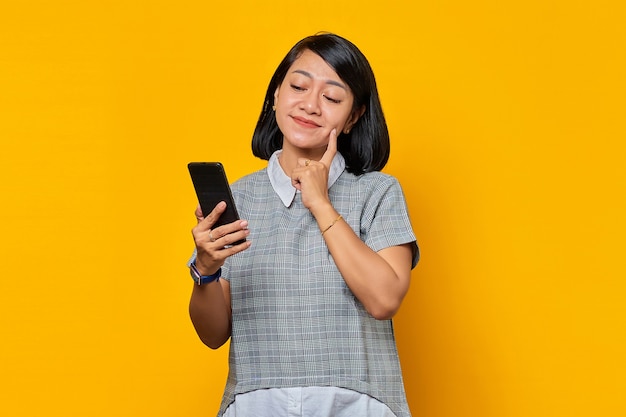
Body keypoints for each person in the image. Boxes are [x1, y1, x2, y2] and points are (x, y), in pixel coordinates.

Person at [188, 33, 419, 417]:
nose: (310, 105)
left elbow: (384, 299)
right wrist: (206, 271)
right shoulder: (238, 198)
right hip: (255, 404)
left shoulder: (378, 192)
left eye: (331, 97)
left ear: (353, 117)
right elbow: (213, 335)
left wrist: (319, 202)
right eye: (298, 86)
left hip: (355, 405)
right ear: (276, 94)